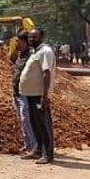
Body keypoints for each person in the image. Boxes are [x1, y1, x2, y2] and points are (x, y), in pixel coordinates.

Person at [19, 28, 56, 164]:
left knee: (43, 124)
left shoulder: (45, 51)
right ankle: (38, 150)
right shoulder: (36, 51)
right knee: (35, 123)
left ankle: (48, 154)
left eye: (34, 37)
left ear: (42, 37)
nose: (31, 39)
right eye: (29, 37)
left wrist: (45, 96)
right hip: (31, 94)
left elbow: (47, 73)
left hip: (39, 95)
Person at [10, 31, 36, 154]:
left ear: (25, 42)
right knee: (22, 119)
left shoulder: (31, 55)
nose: (16, 44)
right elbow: (11, 60)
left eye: (18, 42)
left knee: (27, 119)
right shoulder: (20, 54)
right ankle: (28, 144)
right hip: (16, 91)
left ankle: (34, 146)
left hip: (25, 92)